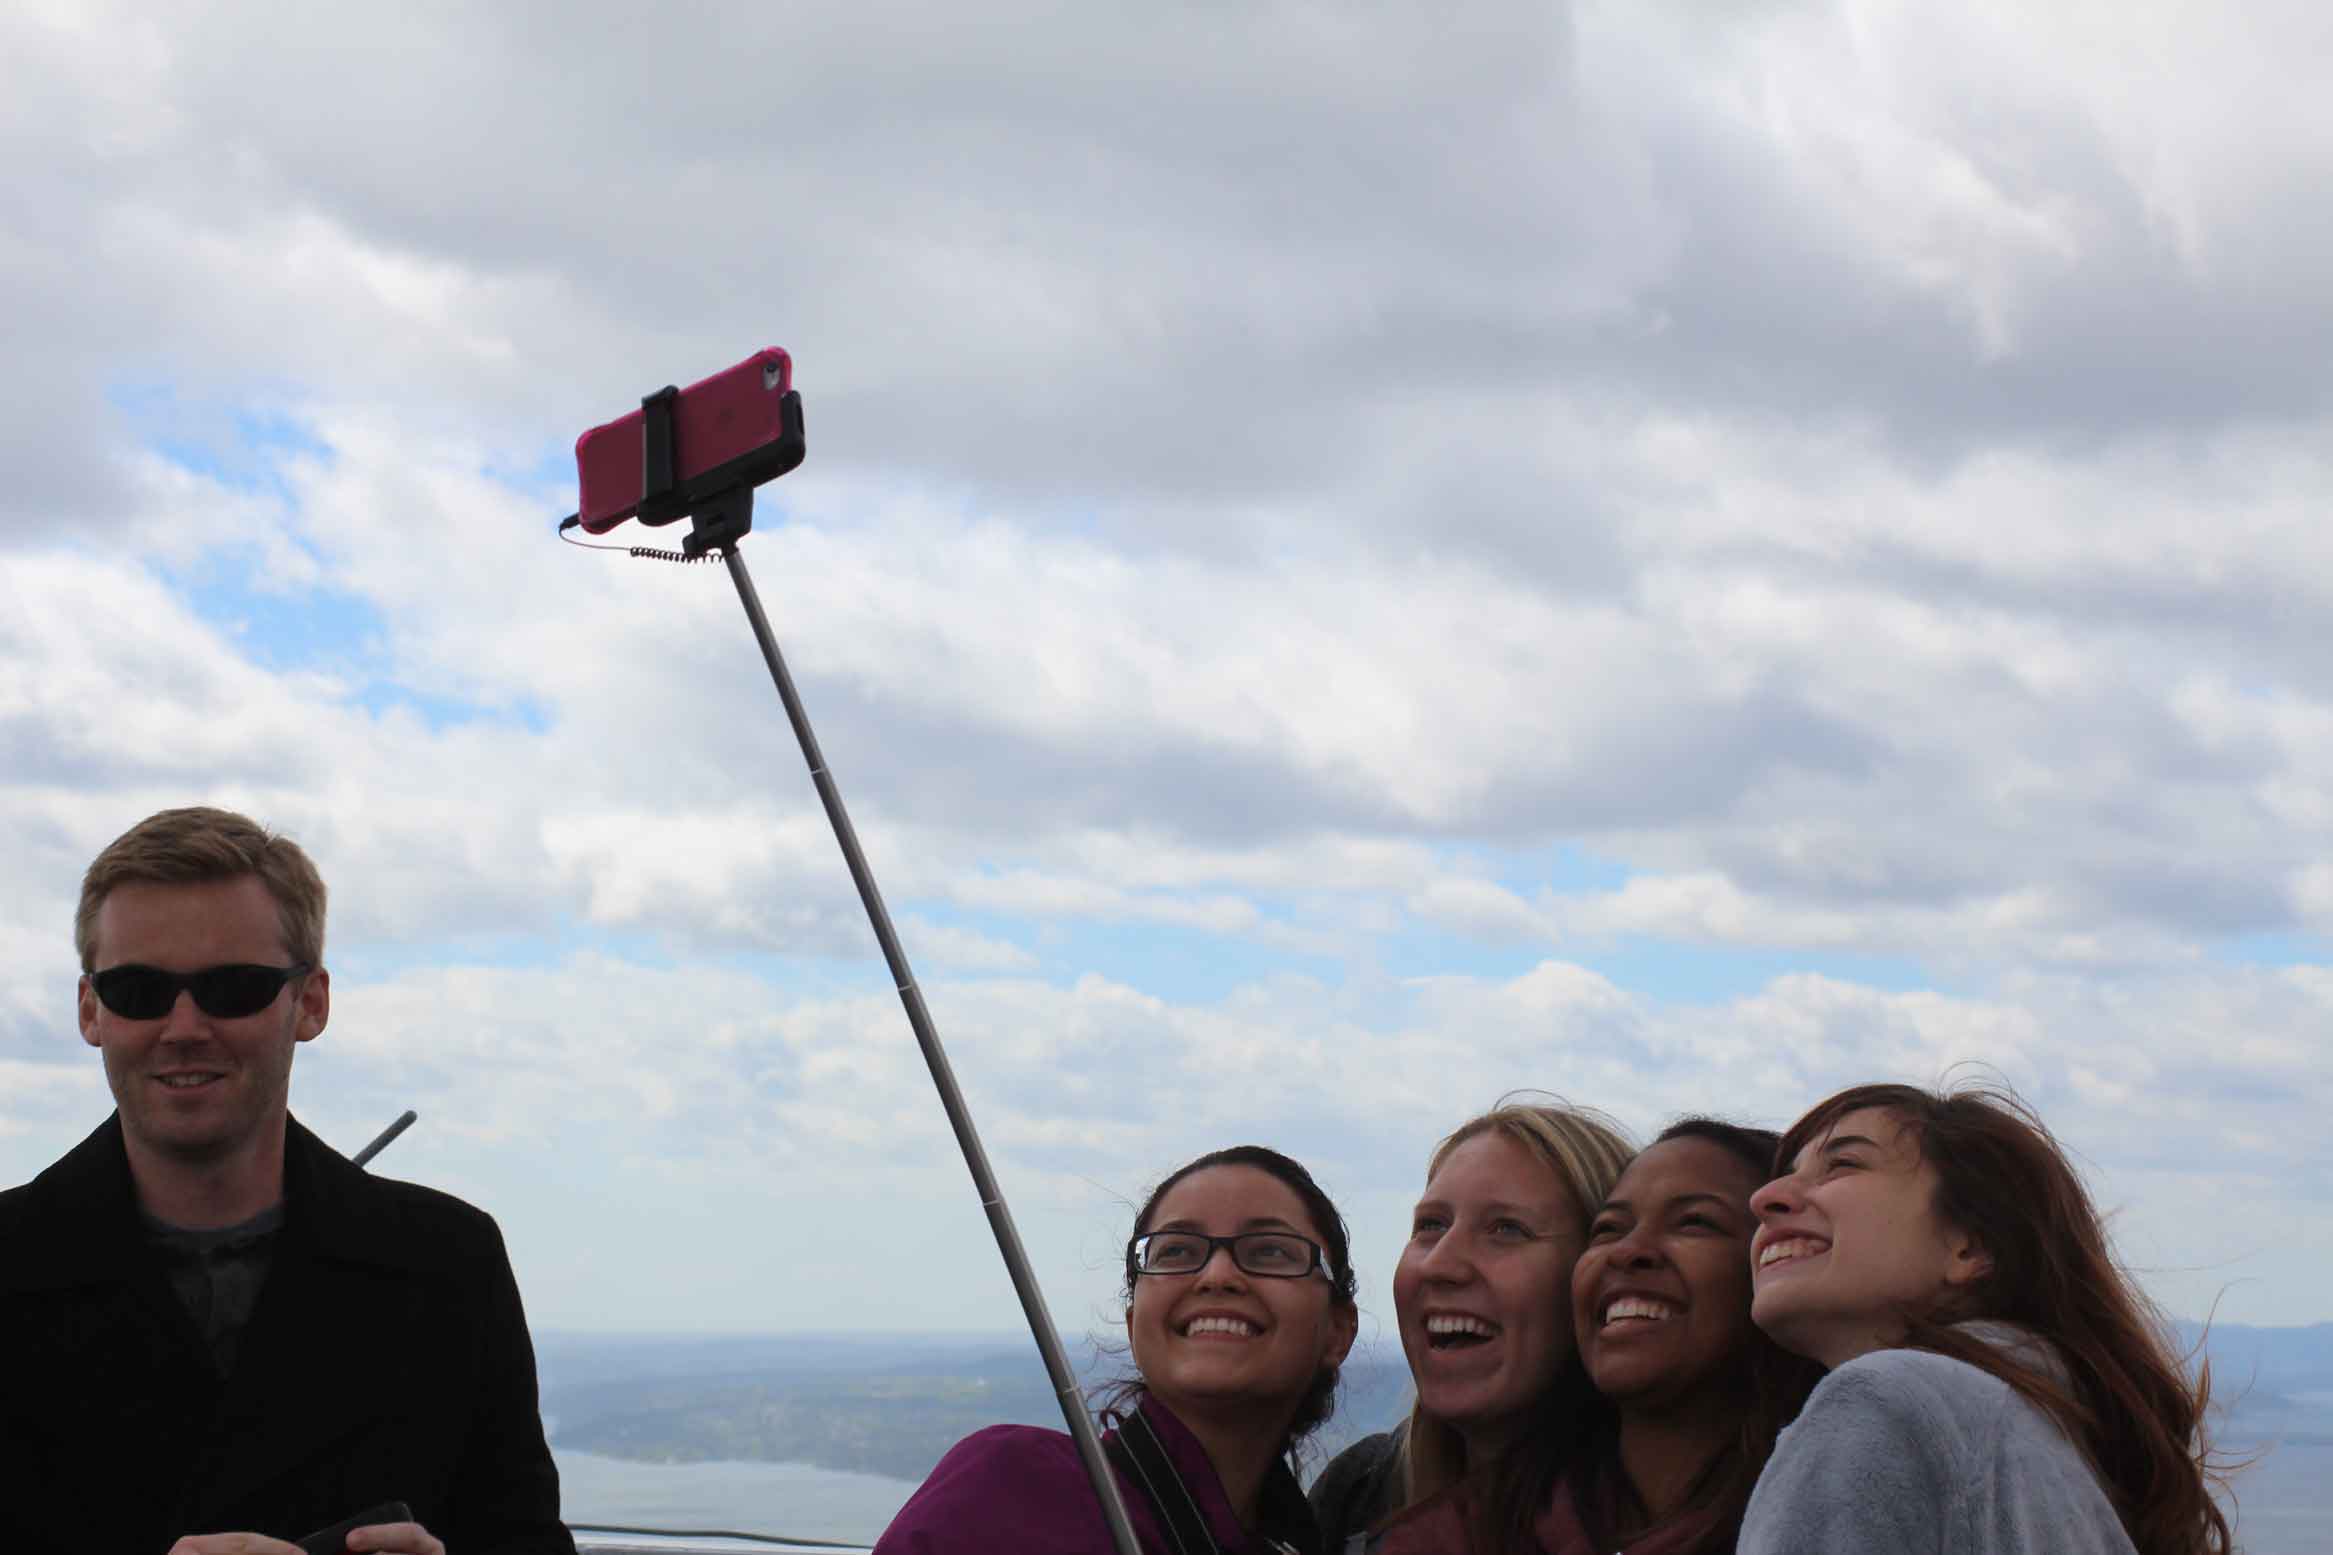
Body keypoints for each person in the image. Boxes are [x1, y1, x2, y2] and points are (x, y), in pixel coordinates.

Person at [0, 807, 572, 1555]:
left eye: (232, 987)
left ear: (310, 1003)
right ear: (91, 1010)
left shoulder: (449, 1268)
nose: (182, 1027)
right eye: (138, 989)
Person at [1737, 1081, 2231, 1555]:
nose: (1766, 1199)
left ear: (1969, 1245)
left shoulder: (1887, 1398)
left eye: (1843, 1164)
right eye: (1786, 1174)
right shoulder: (2051, 1439)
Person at [873, 1144, 1360, 1555]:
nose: (1217, 1276)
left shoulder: (1302, 1539)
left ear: (1338, 1331)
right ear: (1134, 1323)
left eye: (1269, 1250)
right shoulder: (1012, 1488)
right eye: (1177, 1251)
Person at [1311, 1098, 1635, 1554]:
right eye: (1430, 1225)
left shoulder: (1662, 1522)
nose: (1440, 1264)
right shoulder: (1360, 1493)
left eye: (1506, 1229)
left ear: (1597, 1275)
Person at [1542, 1120, 1820, 1555]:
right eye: (1609, 1228)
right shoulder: (1466, 1532)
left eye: (1694, 1222)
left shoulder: (1838, 1519)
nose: (1629, 1250)